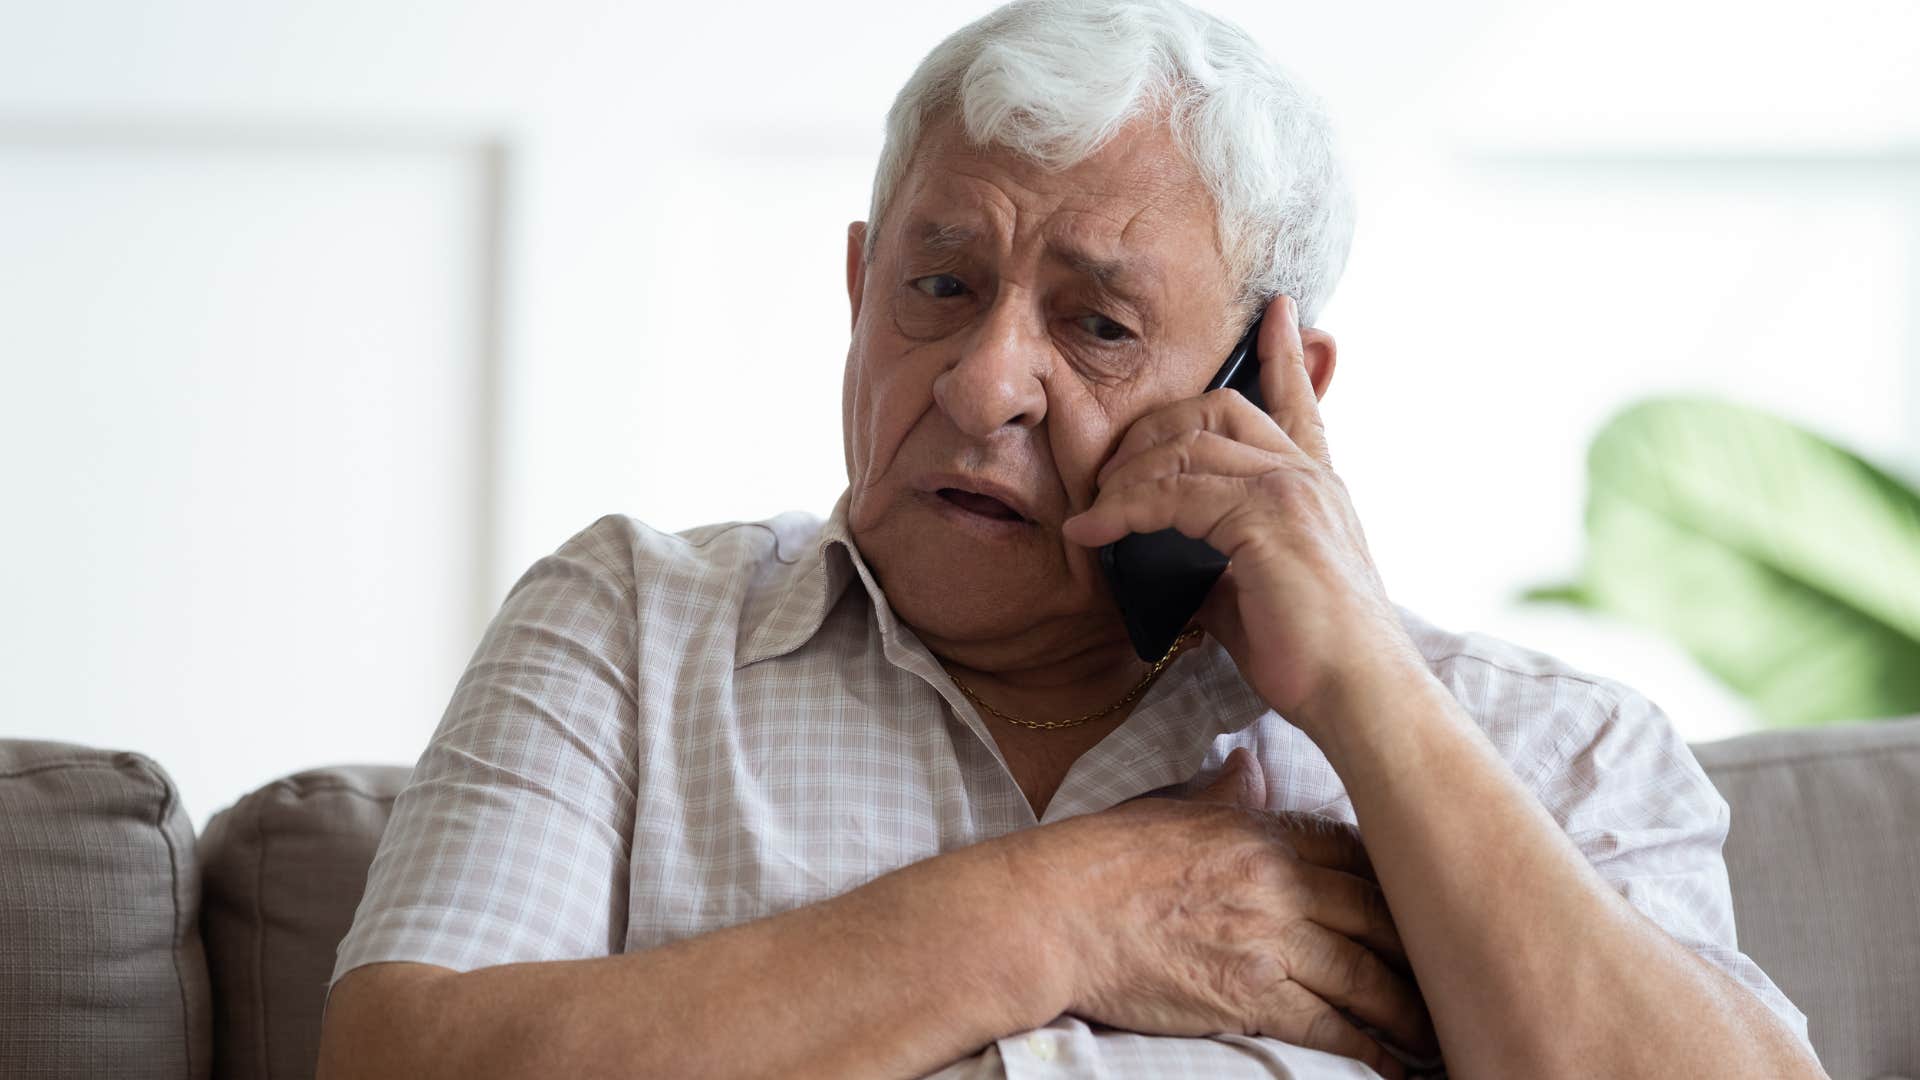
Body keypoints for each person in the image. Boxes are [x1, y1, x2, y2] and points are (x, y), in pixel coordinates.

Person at [317, 1, 1824, 1076]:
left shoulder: (1545, 753)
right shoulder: (632, 630)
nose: (981, 385)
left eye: (1098, 326)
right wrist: (1069, 914)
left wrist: (1365, 690)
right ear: (859, 289)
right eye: (940, 286)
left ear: (1274, 396)